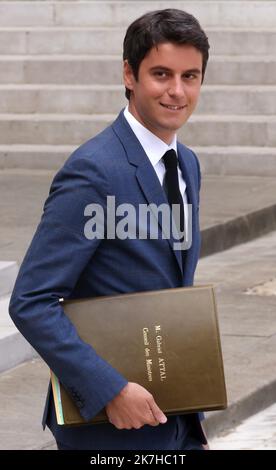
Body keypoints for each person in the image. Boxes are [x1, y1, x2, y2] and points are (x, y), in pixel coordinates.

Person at [9, 8, 210, 450]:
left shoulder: (188, 164)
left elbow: (172, 289)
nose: (177, 91)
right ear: (129, 74)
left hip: (174, 417)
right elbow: (31, 301)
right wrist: (111, 391)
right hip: (109, 427)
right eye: (161, 74)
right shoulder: (92, 171)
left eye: (190, 76)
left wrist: (193, 426)